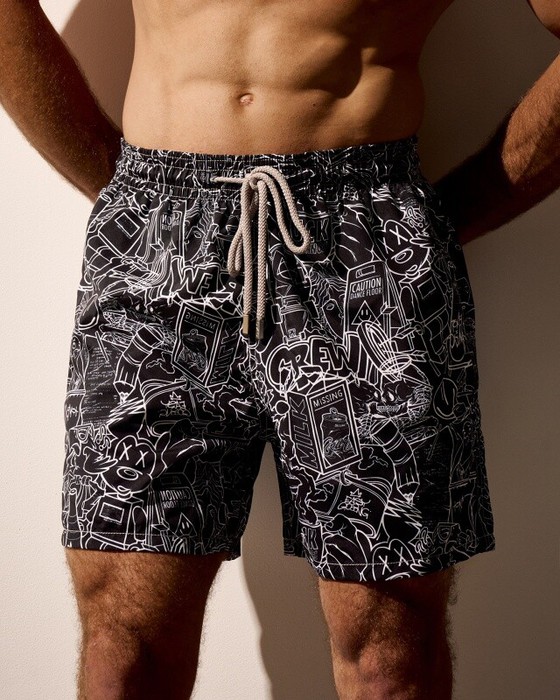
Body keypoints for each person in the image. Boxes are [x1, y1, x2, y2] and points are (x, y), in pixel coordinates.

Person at [0, 1, 558, 698]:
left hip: (366, 243)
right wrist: (128, 197)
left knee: (391, 656)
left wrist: (462, 205)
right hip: (154, 243)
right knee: (123, 647)